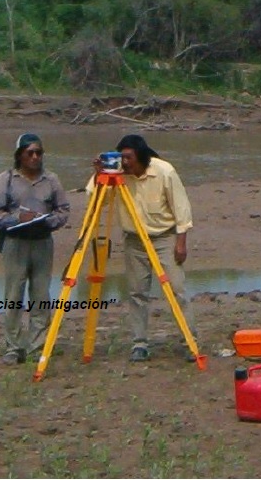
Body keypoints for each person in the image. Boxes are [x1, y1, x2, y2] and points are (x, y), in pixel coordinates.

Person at [91, 134, 196, 363]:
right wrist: (101, 173)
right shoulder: (117, 173)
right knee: (137, 292)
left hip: (164, 238)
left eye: (128, 157)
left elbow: (182, 208)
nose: (124, 162)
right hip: (134, 240)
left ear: (140, 156)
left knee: (176, 289)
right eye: (121, 157)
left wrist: (181, 242)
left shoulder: (164, 171)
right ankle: (139, 343)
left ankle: (189, 340)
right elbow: (96, 195)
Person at [0, 133, 70, 365]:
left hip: (43, 242)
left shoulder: (52, 180)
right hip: (15, 243)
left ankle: (37, 346)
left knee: (41, 296)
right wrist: (18, 218)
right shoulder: (4, 180)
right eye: (30, 153)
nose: (35, 157)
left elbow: (63, 211)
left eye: (39, 153)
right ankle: (13, 347)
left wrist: (46, 220)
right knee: (14, 297)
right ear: (20, 155)